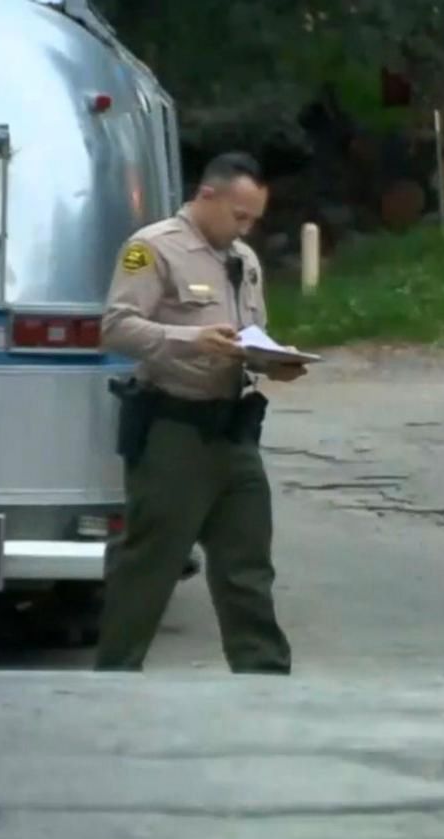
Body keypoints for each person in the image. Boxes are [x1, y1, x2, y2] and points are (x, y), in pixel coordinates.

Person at [93, 151, 303, 674]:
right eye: (239, 215)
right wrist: (192, 340)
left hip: (233, 430)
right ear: (207, 196)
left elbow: (250, 334)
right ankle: (114, 676)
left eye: (253, 218)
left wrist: (274, 361)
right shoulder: (152, 249)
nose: (246, 227)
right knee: (150, 564)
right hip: (174, 430)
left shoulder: (244, 260)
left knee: (248, 566)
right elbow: (117, 328)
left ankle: (265, 680)